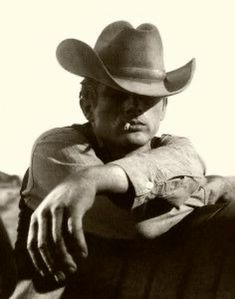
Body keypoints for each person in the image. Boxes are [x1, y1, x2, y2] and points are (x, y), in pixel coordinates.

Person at [12, 21, 235, 298]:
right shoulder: (56, 148)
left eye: (148, 97)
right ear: (87, 104)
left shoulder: (177, 148)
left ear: (164, 108)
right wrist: (215, 187)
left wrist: (94, 179)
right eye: (118, 94)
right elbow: (138, 225)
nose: (134, 106)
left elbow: (187, 161)